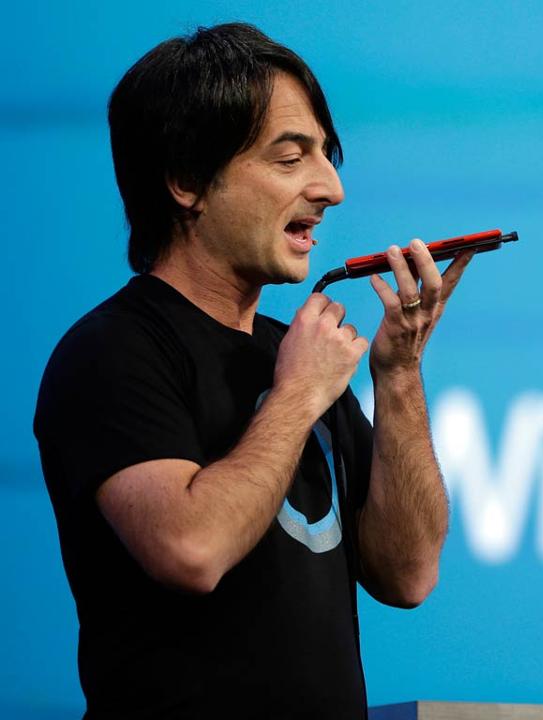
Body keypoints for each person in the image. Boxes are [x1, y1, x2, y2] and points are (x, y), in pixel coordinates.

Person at [33, 22, 472, 719]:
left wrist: (397, 377)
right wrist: (297, 396)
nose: (331, 188)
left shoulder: (294, 349)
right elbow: (190, 548)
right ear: (186, 179)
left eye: (327, 155)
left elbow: (408, 573)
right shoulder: (112, 351)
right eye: (291, 157)